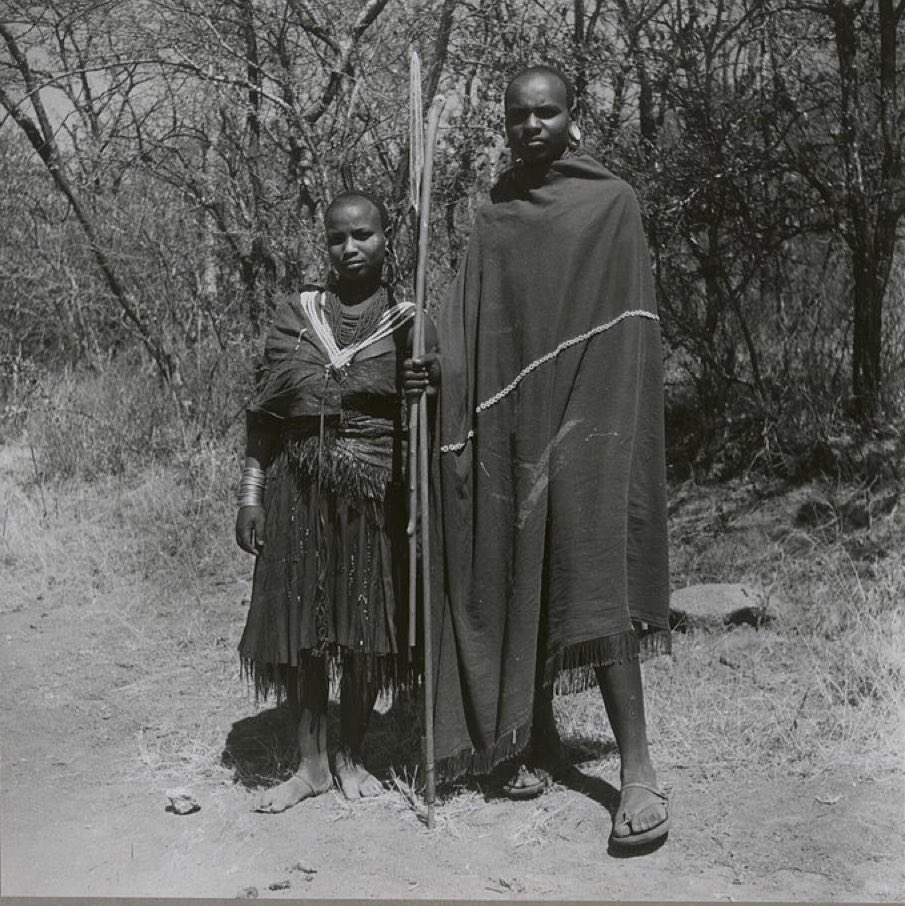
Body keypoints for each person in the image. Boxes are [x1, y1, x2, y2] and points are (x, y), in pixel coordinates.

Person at [405, 65, 672, 850]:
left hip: (592, 417)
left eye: (544, 113)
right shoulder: (494, 217)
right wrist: (433, 367)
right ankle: (532, 734)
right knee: (520, 562)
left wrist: (600, 423)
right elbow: (472, 328)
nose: (529, 126)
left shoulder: (612, 203)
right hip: (518, 419)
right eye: (517, 116)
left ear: (570, 117)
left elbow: (627, 330)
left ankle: (636, 770)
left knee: (593, 575)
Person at [236, 191, 417, 812]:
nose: (350, 247)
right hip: (298, 492)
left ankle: (352, 754)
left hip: (374, 495)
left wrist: (427, 379)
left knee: (365, 627)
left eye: (363, 235)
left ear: (386, 239)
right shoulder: (298, 314)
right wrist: (252, 494)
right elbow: (263, 414)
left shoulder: (409, 323)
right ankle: (310, 764)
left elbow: (434, 420)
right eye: (337, 237)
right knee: (305, 631)